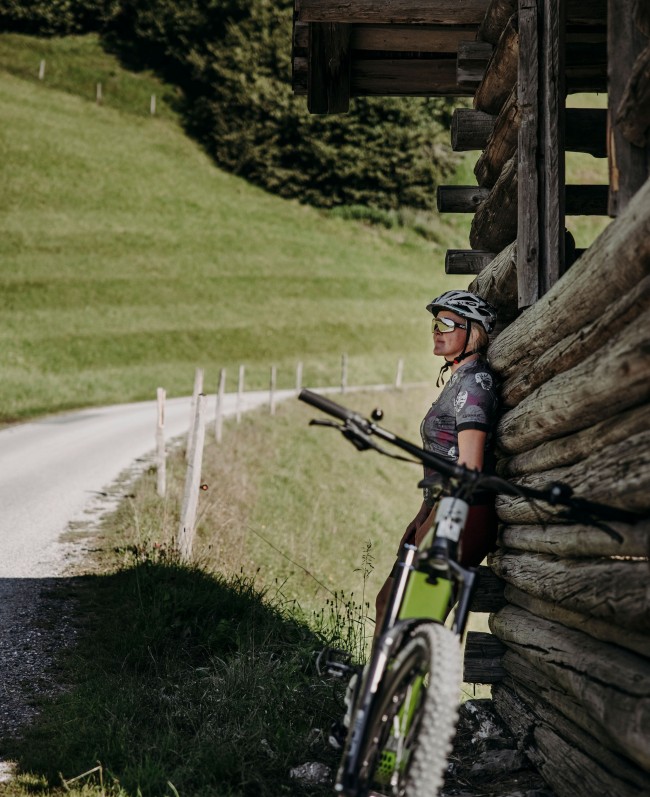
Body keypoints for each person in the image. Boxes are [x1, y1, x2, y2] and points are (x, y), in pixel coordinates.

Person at [375, 289, 500, 630]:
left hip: (463, 513)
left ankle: (404, 684)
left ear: (473, 332)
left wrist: (433, 524)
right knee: (388, 602)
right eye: (436, 322)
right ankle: (377, 684)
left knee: (415, 616)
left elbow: (469, 468)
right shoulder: (457, 379)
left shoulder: (476, 383)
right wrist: (422, 515)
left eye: (447, 322)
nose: (437, 329)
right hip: (440, 510)